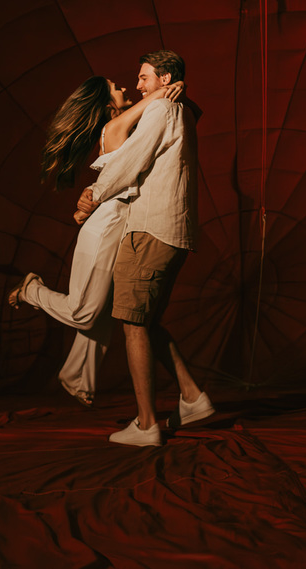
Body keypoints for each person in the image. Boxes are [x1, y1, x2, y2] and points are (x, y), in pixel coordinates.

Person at [7, 75, 183, 407]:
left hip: (118, 223)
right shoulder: (113, 128)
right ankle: (32, 290)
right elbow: (157, 101)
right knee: (85, 312)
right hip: (106, 226)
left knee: (104, 311)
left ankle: (77, 376)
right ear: (107, 107)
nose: (127, 89)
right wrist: (173, 86)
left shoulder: (131, 129)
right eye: (117, 89)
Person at [77, 49, 214, 447]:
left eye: (144, 78)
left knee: (133, 325)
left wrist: (94, 191)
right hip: (175, 232)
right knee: (147, 322)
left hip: (150, 230)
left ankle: (147, 423)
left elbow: (134, 158)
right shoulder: (180, 110)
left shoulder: (162, 112)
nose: (137, 86)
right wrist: (169, 93)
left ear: (165, 79)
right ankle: (192, 398)